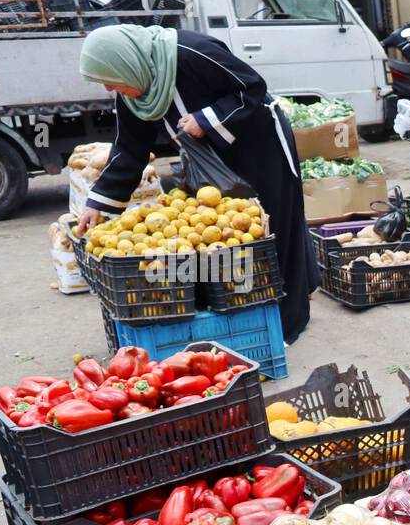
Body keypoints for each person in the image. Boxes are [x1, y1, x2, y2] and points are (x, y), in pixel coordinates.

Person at [76, 25, 317, 344]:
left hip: (260, 145)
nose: (109, 88)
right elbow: (130, 149)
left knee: (273, 227)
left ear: (126, 62)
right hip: (208, 162)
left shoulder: (190, 52)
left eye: (111, 79)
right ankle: (240, 315)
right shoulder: (133, 94)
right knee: (229, 237)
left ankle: (287, 322)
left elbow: (251, 87)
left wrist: (206, 119)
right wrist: (97, 202)